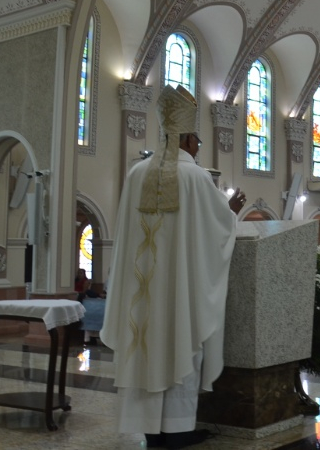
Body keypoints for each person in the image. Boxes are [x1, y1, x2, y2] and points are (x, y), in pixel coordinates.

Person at [101, 86, 246, 450]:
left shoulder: (136, 174)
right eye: (196, 139)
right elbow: (215, 232)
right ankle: (177, 430)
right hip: (179, 294)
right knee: (179, 344)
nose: (198, 146)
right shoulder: (195, 178)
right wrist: (231, 210)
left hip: (142, 297)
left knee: (145, 349)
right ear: (185, 138)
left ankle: (150, 429)